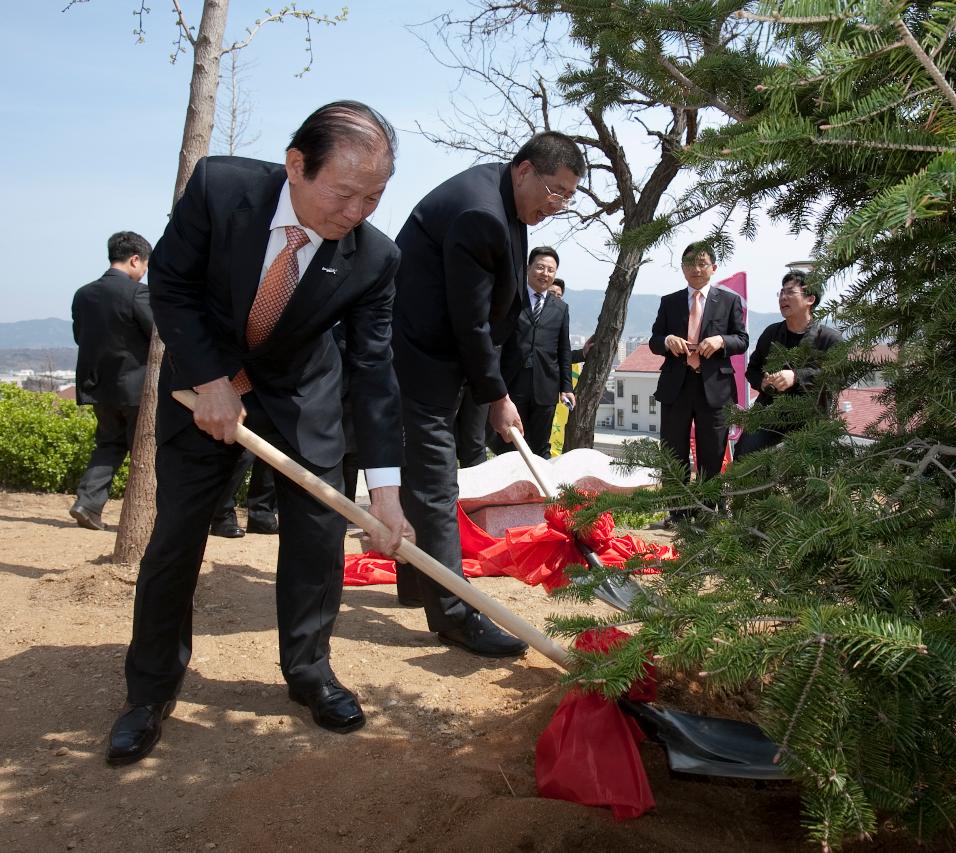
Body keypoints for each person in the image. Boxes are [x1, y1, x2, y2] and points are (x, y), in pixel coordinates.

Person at [105, 101, 414, 767]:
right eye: (344, 192)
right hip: (204, 384)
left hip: (302, 391)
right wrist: (212, 377)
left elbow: (373, 369)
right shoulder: (220, 190)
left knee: (316, 532)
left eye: (375, 196)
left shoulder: (375, 258)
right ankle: (150, 688)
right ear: (296, 165)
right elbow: (174, 287)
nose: (357, 211)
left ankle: (310, 671)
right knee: (177, 536)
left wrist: (386, 489)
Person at [392, 131, 585, 657]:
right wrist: (497, 396)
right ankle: (455, 613)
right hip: (420, 356)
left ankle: (416, 582)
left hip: (441, 354)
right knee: (435, 481)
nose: (557, 203)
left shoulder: (507, 203)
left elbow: (497, 311)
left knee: (426, 477)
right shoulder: (481, 212)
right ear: (524, 170)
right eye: (555, 188)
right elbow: (470, 321)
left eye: (568, 196)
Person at [68, 231, 154, 531]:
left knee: (108, 444)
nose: (143, 273)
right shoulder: (137, 294)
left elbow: (81, 337)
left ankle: (87, 504)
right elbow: (158, 338)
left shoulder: (83, 293)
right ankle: (149, 516)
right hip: (136, 388)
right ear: (134, 259)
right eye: (144, 266)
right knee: (145, 452)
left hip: (99, 387)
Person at [649, 242, 749, 489]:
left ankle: (707, 513)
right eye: (690, 264)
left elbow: (742, 340)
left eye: (702, 263)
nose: (696, 269)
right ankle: (677, 511)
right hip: (677, 386)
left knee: (712, 452)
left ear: (713, 267)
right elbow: (654, 341)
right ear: (682, 269)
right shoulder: (669, 302)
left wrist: (721, 340)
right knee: (673, 453)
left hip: (715, 388)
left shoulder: (729, 300)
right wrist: (667, 340)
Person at [737, 271, 842, 457]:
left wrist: (796, 376)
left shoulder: (829, 339)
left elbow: (838, 376)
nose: (783, 298)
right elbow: (752, 370)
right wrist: (762, 382)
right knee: (745, 452)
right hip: (769, 414)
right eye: (781, 293)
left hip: (811, 417)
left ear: (810, 299)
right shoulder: (771, 334)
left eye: (790, 293)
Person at [490, 246, 574, 458]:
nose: (545, 274)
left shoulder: (561, 308)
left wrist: (566, 386)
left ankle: (539, 491)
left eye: (550, 270)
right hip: (514, 383)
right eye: (540, 267)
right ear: (528, 268)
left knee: (540, 446)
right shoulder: (512, 300)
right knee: (510, 446)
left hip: (545, 386)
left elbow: (564, 349)